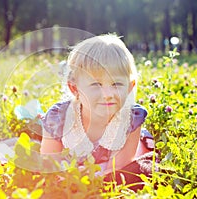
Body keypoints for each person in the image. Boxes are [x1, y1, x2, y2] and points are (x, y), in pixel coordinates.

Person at [40, 34, 157, 191]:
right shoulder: (59, 118)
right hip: (70, 170)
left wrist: (90, 179)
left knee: (137, 170)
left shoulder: (131, 120)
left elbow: (118, 171)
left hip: (108, 170)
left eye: (116, 84)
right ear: (74, 88)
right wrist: (70, 175)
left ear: (129, 87)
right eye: (96, 84)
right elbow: (48, 162)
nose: (107, 93)